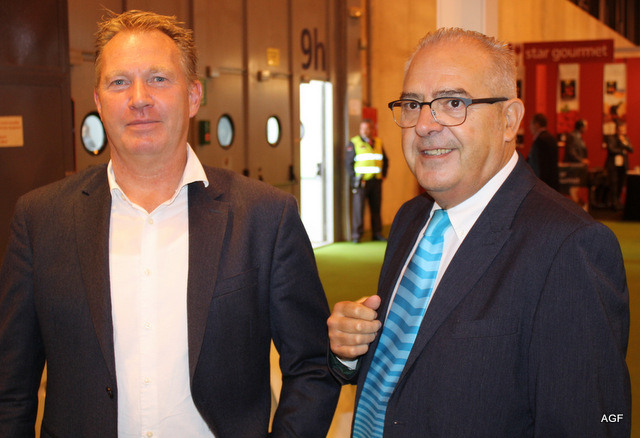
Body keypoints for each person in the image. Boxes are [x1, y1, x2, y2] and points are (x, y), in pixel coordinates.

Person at [0, 10, 340, 438]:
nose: (139, 98)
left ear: (194, 96)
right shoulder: (40, 220)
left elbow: (312, 366)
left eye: (158, 79)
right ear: (98, 102)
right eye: (119, 82)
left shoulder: (265, 217)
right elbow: (10, 388)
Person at [327, 28, 630, 437]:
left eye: (453, 103)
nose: (425, 125)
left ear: (509, 120)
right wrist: (352, 351)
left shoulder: (567, 248)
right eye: (413, 104)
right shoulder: (410, 220)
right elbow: (415, 369)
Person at [345, 119, 389, 242]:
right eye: (362, 129)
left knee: (376, 208)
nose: (364, 131)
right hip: (361, 181)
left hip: (376, 181)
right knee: (359, 209)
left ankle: (377, 233)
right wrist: (354, 179)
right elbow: (348, 163)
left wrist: (383, 175)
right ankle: (357, 235)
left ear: (372, 129)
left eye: (367, 129)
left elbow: (385, 160)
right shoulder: (354, 142)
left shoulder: (378, 142)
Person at [605, 121, 634, 210]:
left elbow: (631, 149)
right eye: (621, 130)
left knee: (621, 184)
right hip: (613, 166)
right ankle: (613, 204)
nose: (622, 132)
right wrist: (622, 151)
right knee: (614, 184)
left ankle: (618, 202)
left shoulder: (625, 139)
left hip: (623, 166)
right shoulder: (611, 138)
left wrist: (624, 142)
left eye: (623, 130)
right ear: (617, 130)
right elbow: (611, 149)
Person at [528, 112, 560, 191]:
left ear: (536, 124)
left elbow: (539, 166)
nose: (530, 127)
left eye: (531, 124)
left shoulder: (540, 140)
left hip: (543, 185)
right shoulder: (552, 138)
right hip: (552, 184)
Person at [563, 119, 590, 207]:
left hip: (578, 167)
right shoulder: (572, 136)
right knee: (573, 187)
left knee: (576, 187)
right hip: (573, 167)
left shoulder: (578, 136)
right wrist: (581, 160)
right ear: (581, 127)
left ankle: (577, 203)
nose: (587, 128)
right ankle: (575, 204)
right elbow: (571, 152)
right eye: (585, 126)